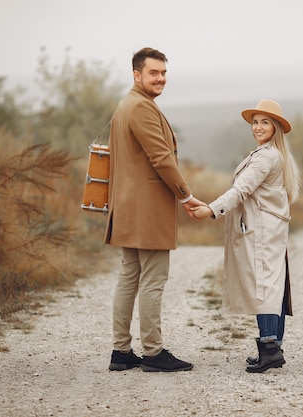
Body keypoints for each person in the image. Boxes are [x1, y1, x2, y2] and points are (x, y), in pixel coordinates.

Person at [105, 47, 203, 372]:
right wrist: (186, 195)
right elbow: (161, 158)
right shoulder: (142, 109)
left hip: (128, 206)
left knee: (129, 277)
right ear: (137, 75)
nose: (160, 78)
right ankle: (153, 353)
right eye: (153, 73)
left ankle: (121, 352)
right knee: (152, 280)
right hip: (146, 211)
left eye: (163, 73)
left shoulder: (126, 105)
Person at [192, 99, 301, 373]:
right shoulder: (271, 154)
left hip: (263, 230)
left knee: (264, 286)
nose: (258, 127)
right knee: (273, 285)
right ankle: (273, 347)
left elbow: (241, 190)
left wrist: (211, 210)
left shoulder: (266, 157)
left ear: (275, 126)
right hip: (271, 228)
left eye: (265, 122)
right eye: (255, 122)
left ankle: (269, 349)